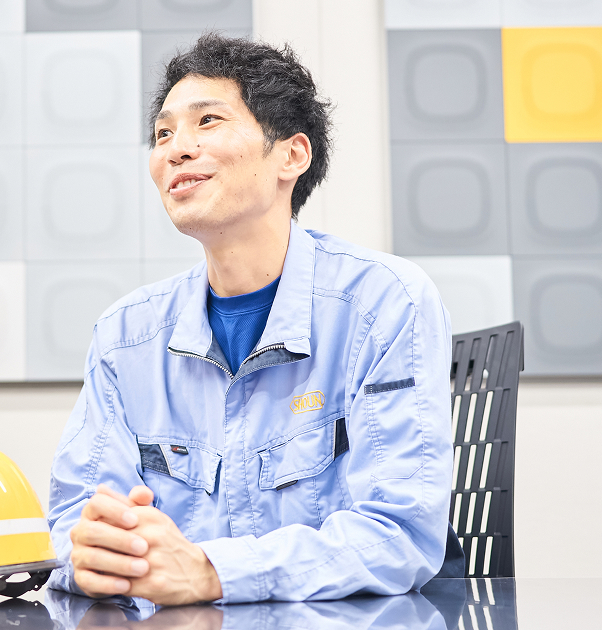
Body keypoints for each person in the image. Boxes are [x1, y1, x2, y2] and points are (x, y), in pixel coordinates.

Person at [47, 33, 460, 605]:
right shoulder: (125, 336)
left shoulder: (384, 304)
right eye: (163, 134)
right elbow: (75, 518)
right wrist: (96, 556)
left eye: (207, 121)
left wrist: (211, 571)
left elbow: (399, 533)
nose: (176, 149)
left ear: (292, 155)